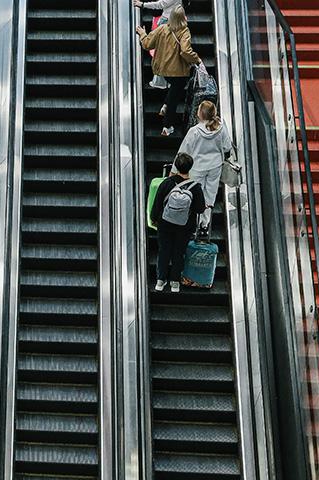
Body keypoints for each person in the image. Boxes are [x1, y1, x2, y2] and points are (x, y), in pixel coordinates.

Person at [137, 6, 201, 136]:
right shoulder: (184, 32)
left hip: (163, 70)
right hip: (179, 72)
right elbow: (185, 51)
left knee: (175, 88)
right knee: (175, 97)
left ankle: (165, 105)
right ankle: (167, 126)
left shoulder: (162, 29)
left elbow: (147, 44)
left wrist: (142, 33)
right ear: (183, 18)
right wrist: (197, 59)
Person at [151, 152, 206, 293]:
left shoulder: (167, 183)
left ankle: (160, 280)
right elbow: (200, 209)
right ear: (190, 167)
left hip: (165, 224)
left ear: (176, 166)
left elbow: (157, 203)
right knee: (179, 252)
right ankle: (175, 282)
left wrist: (154, 218)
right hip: (184, 226)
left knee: (164, 251)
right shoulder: (195, 187)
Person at [177, 100, 233, 228]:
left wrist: (175, 170)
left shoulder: (194, 131)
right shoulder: (221, 127)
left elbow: (184, 151)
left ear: (200, 114)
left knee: (195, 194)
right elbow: (227, 146)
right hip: (215, 166)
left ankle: (194, 222)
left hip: (197, 167)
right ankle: (205, 224)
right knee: (210, 195)